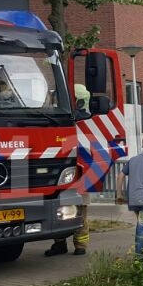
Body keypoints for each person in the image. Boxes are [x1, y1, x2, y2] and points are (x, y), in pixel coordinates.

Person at [45, 85, 94, 257]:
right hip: (79, 179)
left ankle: (66, 245)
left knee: (63, 212)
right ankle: (78, 246)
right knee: (78, 213)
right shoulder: (91, 125)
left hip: (65, 178)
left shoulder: (60, 121)